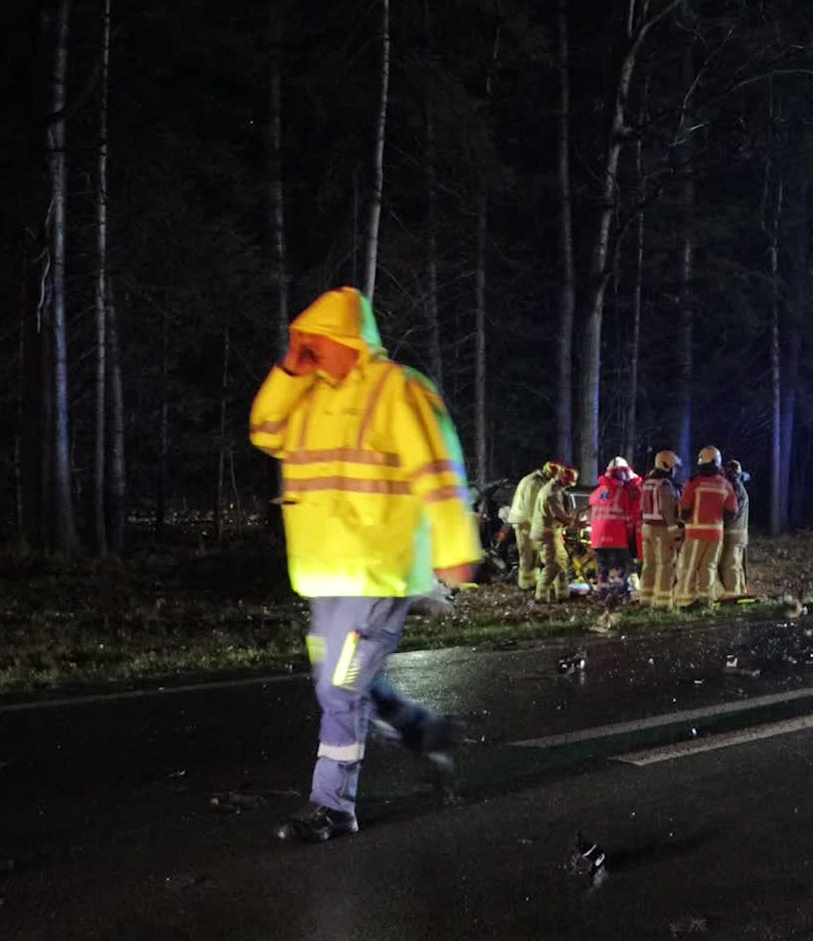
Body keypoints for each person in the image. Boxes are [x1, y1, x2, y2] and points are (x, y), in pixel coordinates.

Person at [249, 286, 480, 843]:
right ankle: (426, 733)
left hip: (378, 572)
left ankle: (332, 806)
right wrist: (288, 370)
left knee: (340, 689)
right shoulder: (307, 394)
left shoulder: (399, 390)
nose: (306, 350)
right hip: (323, 575)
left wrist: (454, 549)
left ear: (346, 341)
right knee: (342, 682)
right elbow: (264, 431)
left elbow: (439, 470)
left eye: (314, 342)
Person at [676, 447, 739, 610]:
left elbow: (684, 509)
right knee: (708, 567)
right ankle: (705, 600)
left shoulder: (694, 482)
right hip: (716, 534)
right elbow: (732, 511)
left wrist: (683, 521)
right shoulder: (725, 485)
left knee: (689, 566)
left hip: (695, 533)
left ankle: (685, 600)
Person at [587, 458, 642, 596]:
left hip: (597, 539)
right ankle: (618, 588)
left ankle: (602, 590)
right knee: (628, 566)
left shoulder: (596, 492)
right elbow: (629, 518)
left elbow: (591, 515)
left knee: (603, 567)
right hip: (617, 537)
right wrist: (630, 537)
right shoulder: (622, 493)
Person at [637, 451, 683, 608]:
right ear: (667, 466)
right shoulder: (665, 484)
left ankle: (645, 599)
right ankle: (663, 604)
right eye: (674, 467)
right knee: (666, 565)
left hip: (646, 528)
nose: (675, 470)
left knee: (649, 565)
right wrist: (676, 533)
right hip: (661, 530)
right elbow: (667, 510)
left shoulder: (647, 482)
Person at [528, 464, 581, 600]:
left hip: (549, 532)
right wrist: (575, 523)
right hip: (547, 533)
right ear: (562, 479)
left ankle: (563, 593)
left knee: (561, 560)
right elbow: (559, 515)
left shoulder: (552, 489)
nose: (568, 486)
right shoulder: (552, 492)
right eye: (568, 483)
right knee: (554, 564)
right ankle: (541, 595)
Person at [508, 462, 559, 592]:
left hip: (529, 521)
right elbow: (531, 507)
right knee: (527, 553)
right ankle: (525, 583)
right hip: (524, 521)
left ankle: (533, 580)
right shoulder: (533, 482)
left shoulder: (540, 481)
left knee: (535, 553)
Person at [719, 457, 752, 598]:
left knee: (730, 564)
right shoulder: (739, 487)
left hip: (733, 533)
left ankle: (732, 595)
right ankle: (741, 590)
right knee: (737, 565)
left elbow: (730, 513)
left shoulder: (734, 488)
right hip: (739, 533)